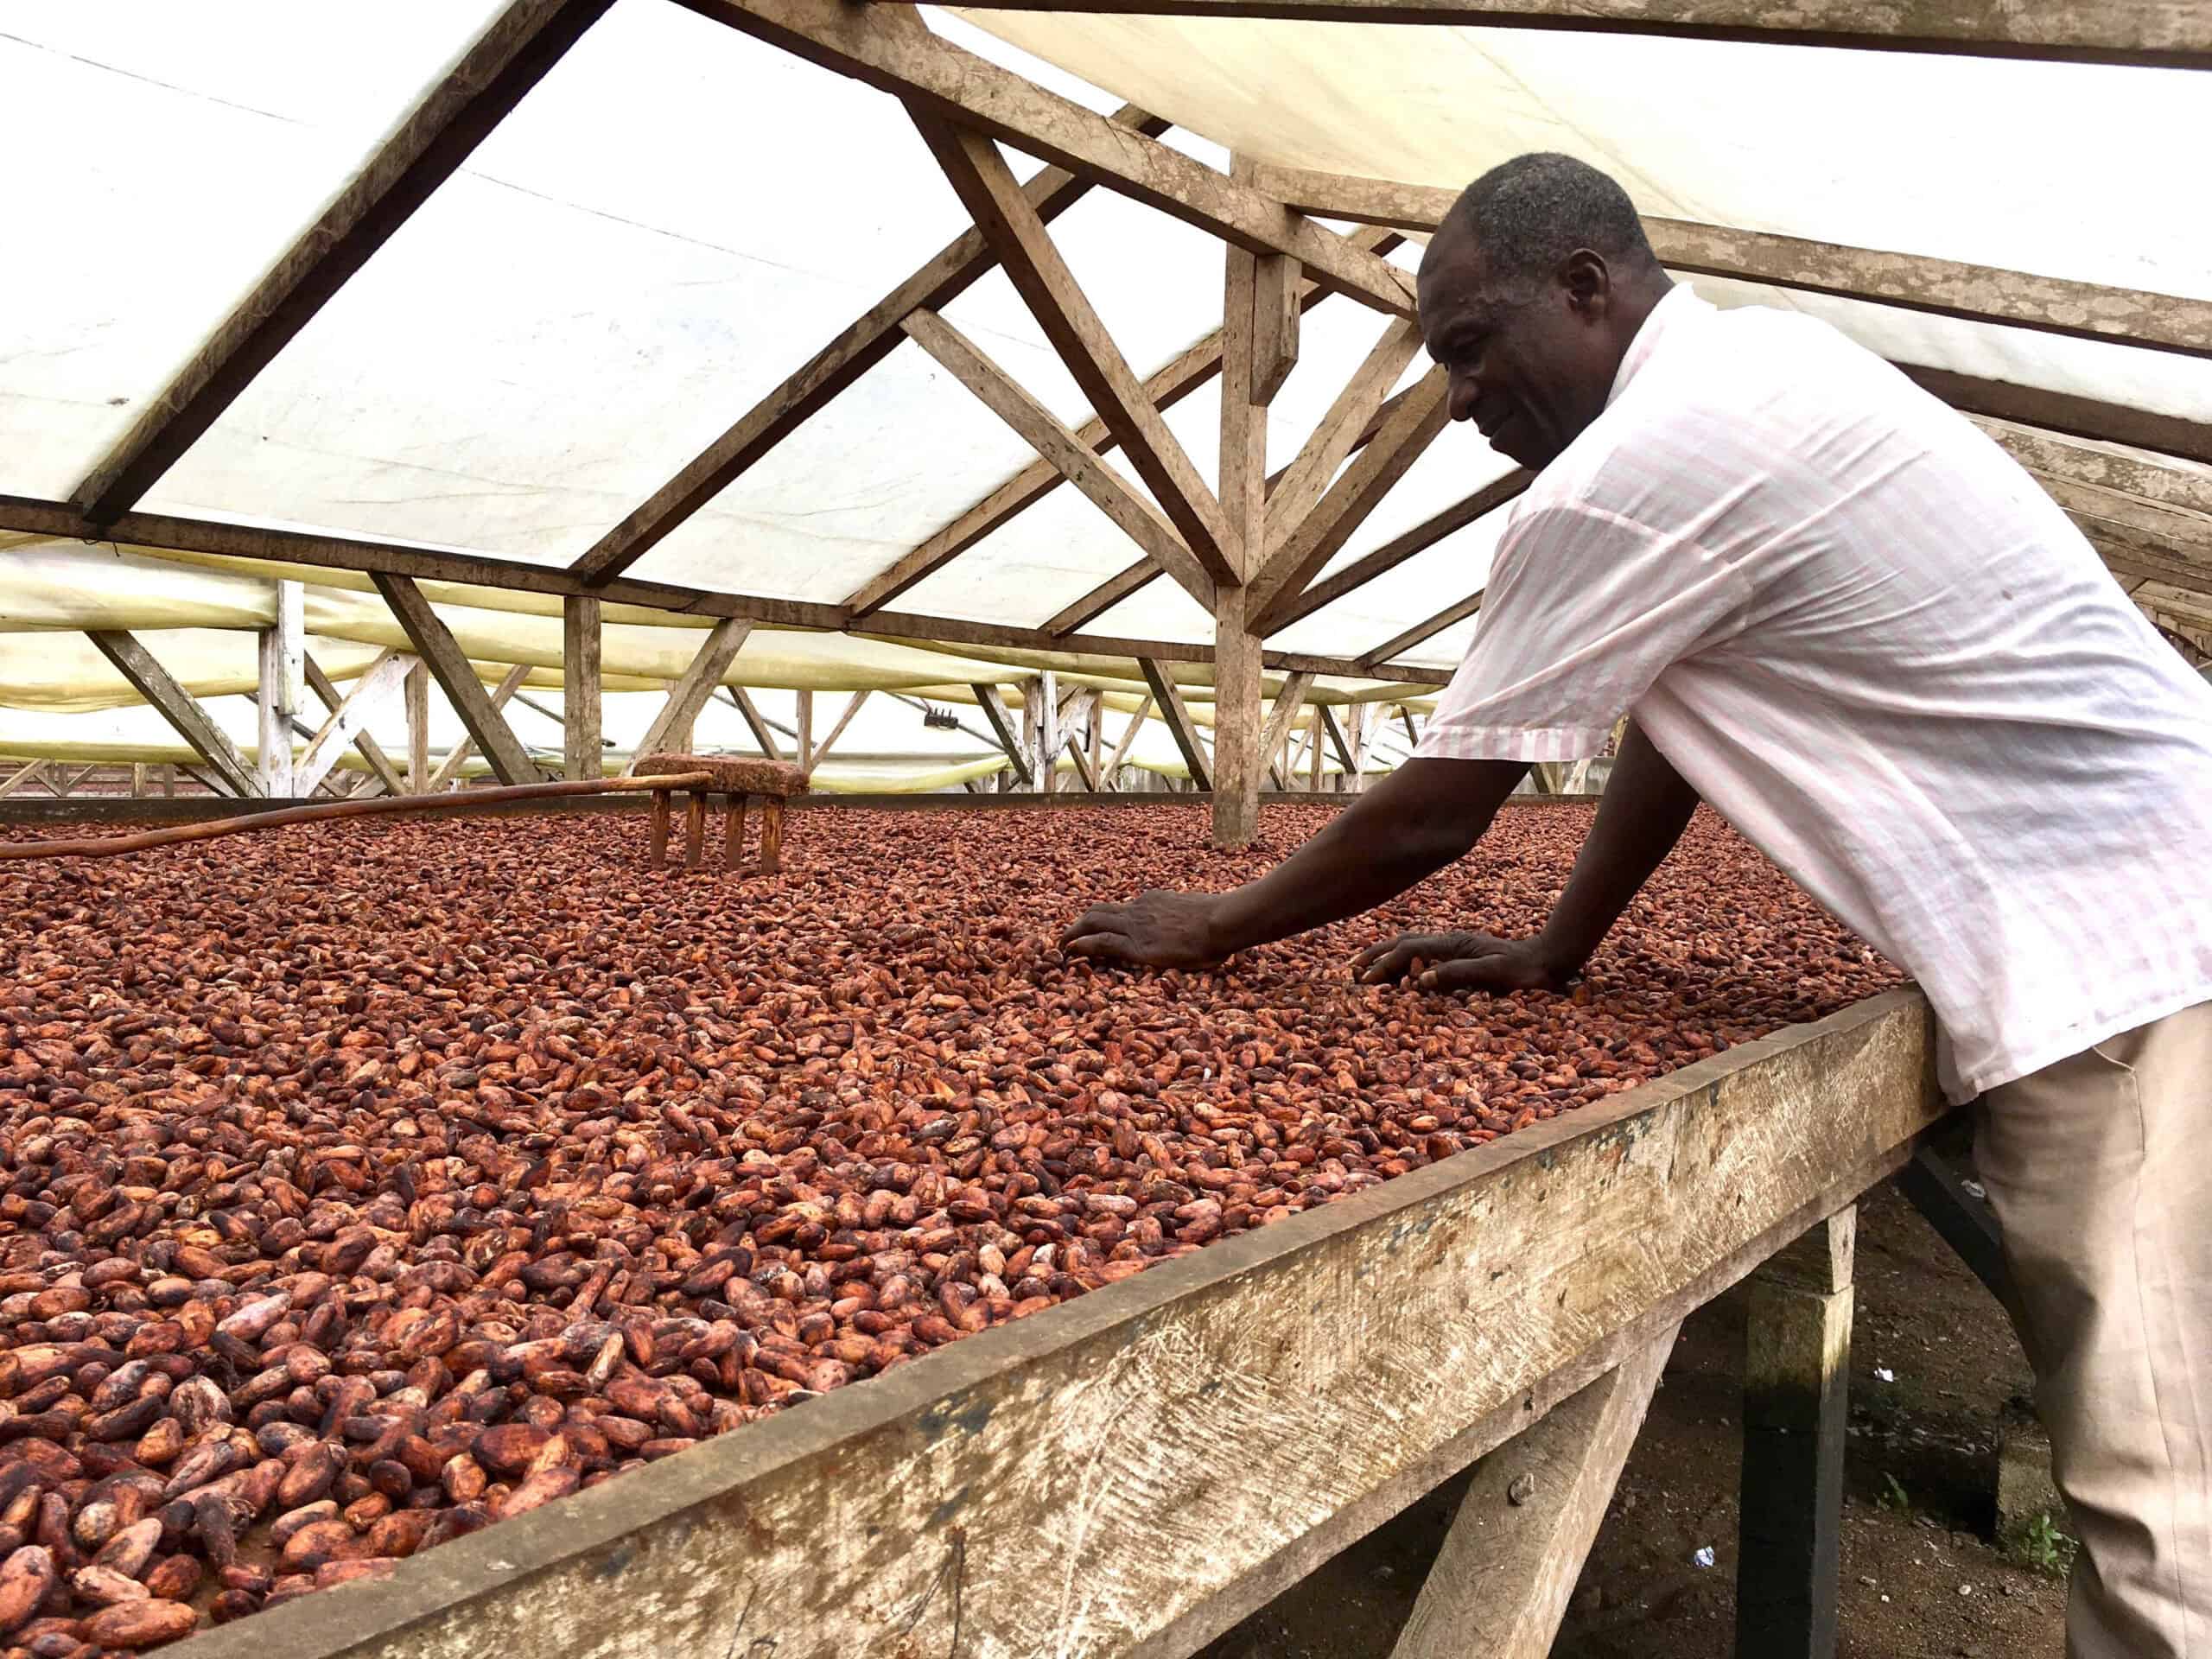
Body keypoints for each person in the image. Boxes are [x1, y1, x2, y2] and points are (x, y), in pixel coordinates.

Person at [1063, 153, 2212, 1657]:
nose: (1459, 400)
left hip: (2127, 963)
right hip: (2162, 902)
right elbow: (1679, 717)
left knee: (2156, 1490)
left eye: (1472, 346)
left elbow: (1437, 809)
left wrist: (1217, 921)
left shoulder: (1632, 473)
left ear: (1587, 288)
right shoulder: (1770, 371)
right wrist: (1562, 944)